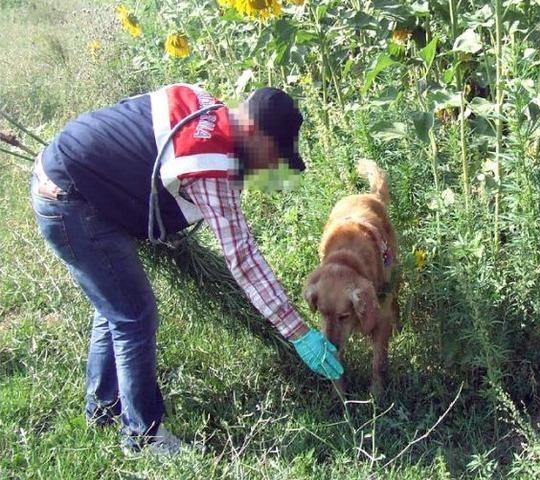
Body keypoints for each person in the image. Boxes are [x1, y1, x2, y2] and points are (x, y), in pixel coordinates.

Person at [29, 83, 343, 455]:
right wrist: (298, 333)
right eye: (274, 155)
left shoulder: (205, 105)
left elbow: (133, 122)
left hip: (66, 180)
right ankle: (143, 436)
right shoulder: (211, 165)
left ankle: (103, 408)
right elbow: (243, 259)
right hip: (72, 204)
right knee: (134, 316)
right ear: (255, 134)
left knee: (115, 306)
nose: (270, 167)